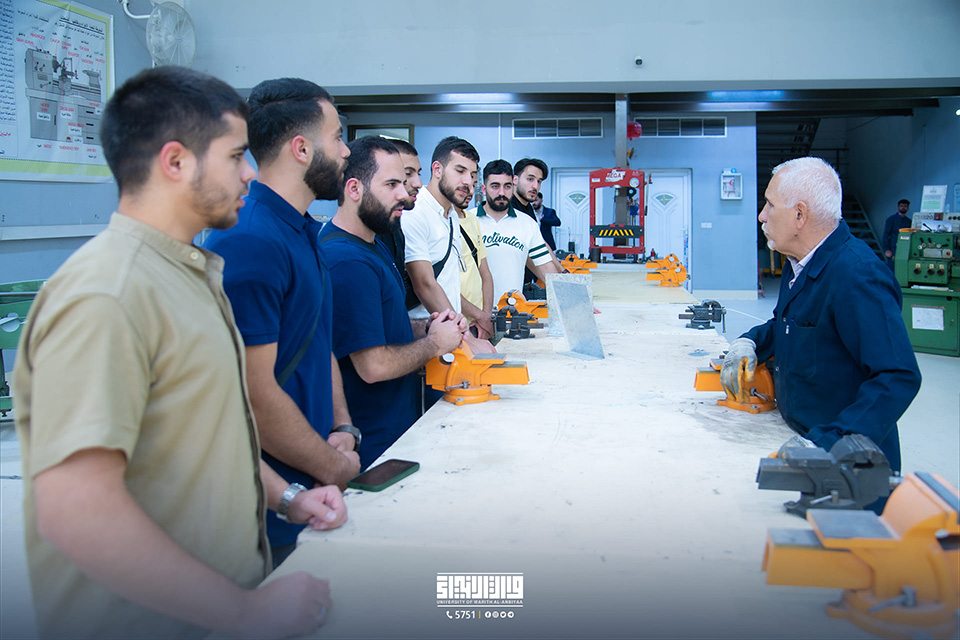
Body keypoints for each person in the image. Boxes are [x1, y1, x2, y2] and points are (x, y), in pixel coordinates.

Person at [13, 66, 347, 640]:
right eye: (236, 156)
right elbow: (75, 510)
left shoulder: (191, 274)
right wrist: (245, 612)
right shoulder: (106, 295)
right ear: (175, 162)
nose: (250, 172)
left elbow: (209, 431)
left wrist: (288, 498)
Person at [203, 78, 359, 567]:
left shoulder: (303, 229)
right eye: (337, 137)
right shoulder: (250, 239)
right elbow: (254, 394)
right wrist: (334, 466)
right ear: (301, 148)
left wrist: (342, 425)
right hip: (268, 507)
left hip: (313, 486)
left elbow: (317, 340)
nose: (346, 151)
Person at [721, 157, 921, 479]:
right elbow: (789, 324)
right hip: (796, 438)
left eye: (770, 205)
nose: (762, 215)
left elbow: (897, 375)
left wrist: (828, 444)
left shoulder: (857, 276)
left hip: (846, 471)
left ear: (799, 215)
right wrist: (749, 343)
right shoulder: (799, 263)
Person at [319, 136, 467, 469]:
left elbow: (380, 326)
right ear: (354, 189)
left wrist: (427, 326)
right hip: (374, 443)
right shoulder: (348, 261)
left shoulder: (374, 246)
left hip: (397, 429)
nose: (405, 193)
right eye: (391, 184)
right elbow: (373, 366)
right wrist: (434, 344)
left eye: (404, 181)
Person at [401, 136, 478, 320]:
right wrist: (460, 332)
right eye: (460, 171)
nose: (468, 182)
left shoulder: (451, 214)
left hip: (449, 329)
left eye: (472, 175)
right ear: (437, 169)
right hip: (424, 331)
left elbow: (447, 281)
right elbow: (424, 284)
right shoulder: (414, 212)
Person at [475, 160, 561, 303]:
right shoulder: (468, 221)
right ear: (484, 189)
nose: (502, 193)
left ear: (513, 185)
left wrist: (573, 302)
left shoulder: (527, 224)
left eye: (507, 186)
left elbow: (546, 268)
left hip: (513, 310)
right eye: (495, 186)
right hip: (473, 312)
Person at [377, 138, 422, 305]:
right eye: (407, 174)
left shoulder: (395, 228)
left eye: (418, 173)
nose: (418, 183)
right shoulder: (348, 251)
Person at [511, 158, 565, 286]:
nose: (535, 186)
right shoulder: (509, 209)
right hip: (511, 287)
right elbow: (527, 253)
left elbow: (540, 243)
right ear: (515, 180)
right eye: (530, 179)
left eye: (539, 181)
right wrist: (554, 284)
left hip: (526, 284)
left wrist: (562, 271)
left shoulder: (528, 208)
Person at [882, 198, 911, 269]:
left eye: (905, 206)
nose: (903, 208)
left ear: (908, 208)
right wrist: (887, 249)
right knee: (892, 268)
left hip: (905, 249)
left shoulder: (909, 221)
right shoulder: (891, 219)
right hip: (893, 249)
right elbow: (886, 234)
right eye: (901, 206)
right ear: (898, 207)